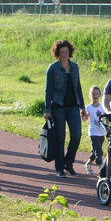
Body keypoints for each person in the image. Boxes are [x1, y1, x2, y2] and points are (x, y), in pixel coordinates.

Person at [43, 40, 88, 179]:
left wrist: (82, 107)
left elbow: (78, 87)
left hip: (73, 106)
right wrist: (47, 109)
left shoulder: (75, 67)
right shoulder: (53, 68)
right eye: (62, 52)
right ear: (57, 53)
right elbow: (48, 90)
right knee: (60, 138)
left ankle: (69, 162)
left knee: (77, 135)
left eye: (66, 52)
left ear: (70, 52)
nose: (64, 54)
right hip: (58, 106)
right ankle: (59, 167)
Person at [85, 85, 106, 174]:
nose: (95, 95)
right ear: (90, 96)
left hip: (101, 132)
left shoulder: (103, 106)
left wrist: (107, 125)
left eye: (97, 93)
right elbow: (85, 120)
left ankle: (88, 163)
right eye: (93, 94)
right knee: (99, 151)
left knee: (95, 151)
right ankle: (101, 170)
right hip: (93, 132)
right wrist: (83, 115)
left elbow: (107, 116)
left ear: (100, 95)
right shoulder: (88, 107)